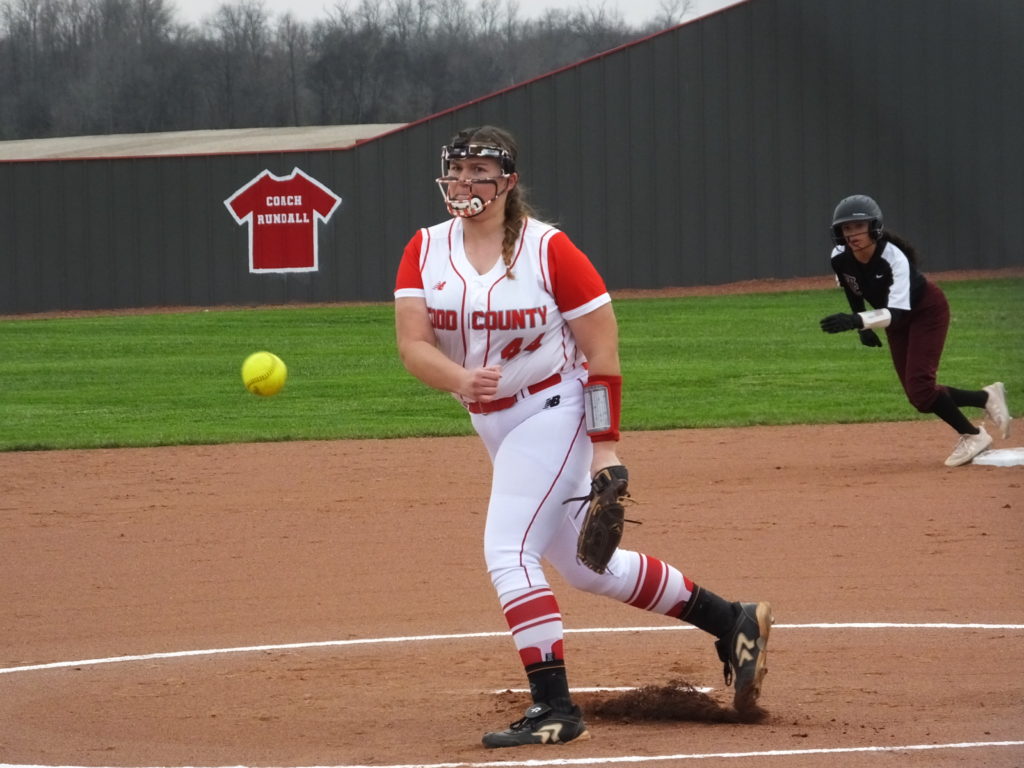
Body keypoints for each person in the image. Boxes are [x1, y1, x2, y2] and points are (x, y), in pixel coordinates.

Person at [394, 125, 773, 748]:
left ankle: (555, 709)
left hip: (554, 409)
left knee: (508, 551)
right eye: (456, 170)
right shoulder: (425, 247)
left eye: (479, 172)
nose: (464, 182)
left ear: (508, 182)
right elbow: (412, 345)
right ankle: (732, 620)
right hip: (494, 421)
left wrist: (605, 446)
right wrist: (460, 378)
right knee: (588, 566)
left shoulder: (548, 249)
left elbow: (602, 353)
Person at [819, 194, 1012, 467]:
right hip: (894, 321)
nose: (852, 234)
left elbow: (897, 312)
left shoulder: (893, 258)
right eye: (846, 228)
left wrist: (857, 320)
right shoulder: (839, 256)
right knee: (918, 396)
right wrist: (861, 325)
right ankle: (986, 398)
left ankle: (973, 435)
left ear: (875, 227)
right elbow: (853, 288)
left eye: (859, 226)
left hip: (925, 311)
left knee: (921, 389)